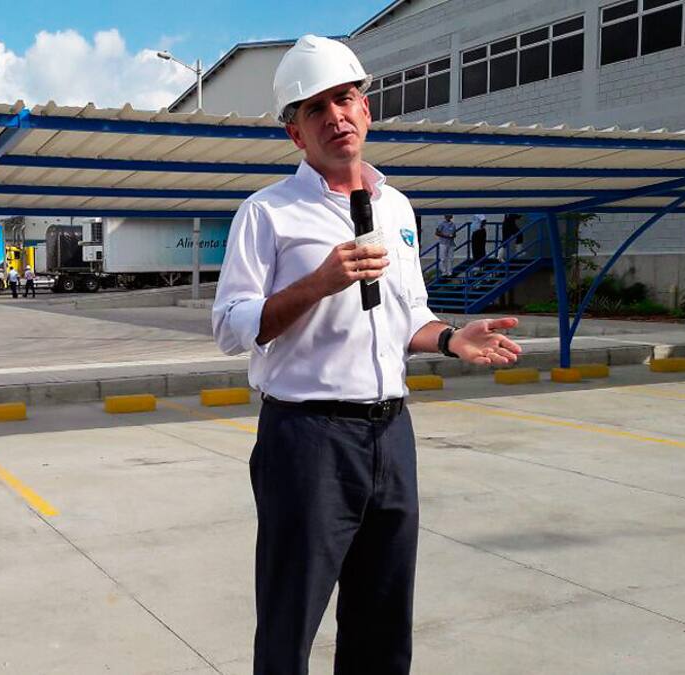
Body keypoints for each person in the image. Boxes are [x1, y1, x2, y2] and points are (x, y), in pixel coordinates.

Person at [212, 34, 522, 675]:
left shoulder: (398, 207)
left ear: (366, 108)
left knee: (382, 619)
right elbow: (231, 326)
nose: (335, 116)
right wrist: (318, 283)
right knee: (291, 617)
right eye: (315, 108)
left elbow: (408, 315)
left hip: (391, 434)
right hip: (307, 439)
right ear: (295, 133)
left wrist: (450, 338)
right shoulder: (267, 213)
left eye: (345, 99)